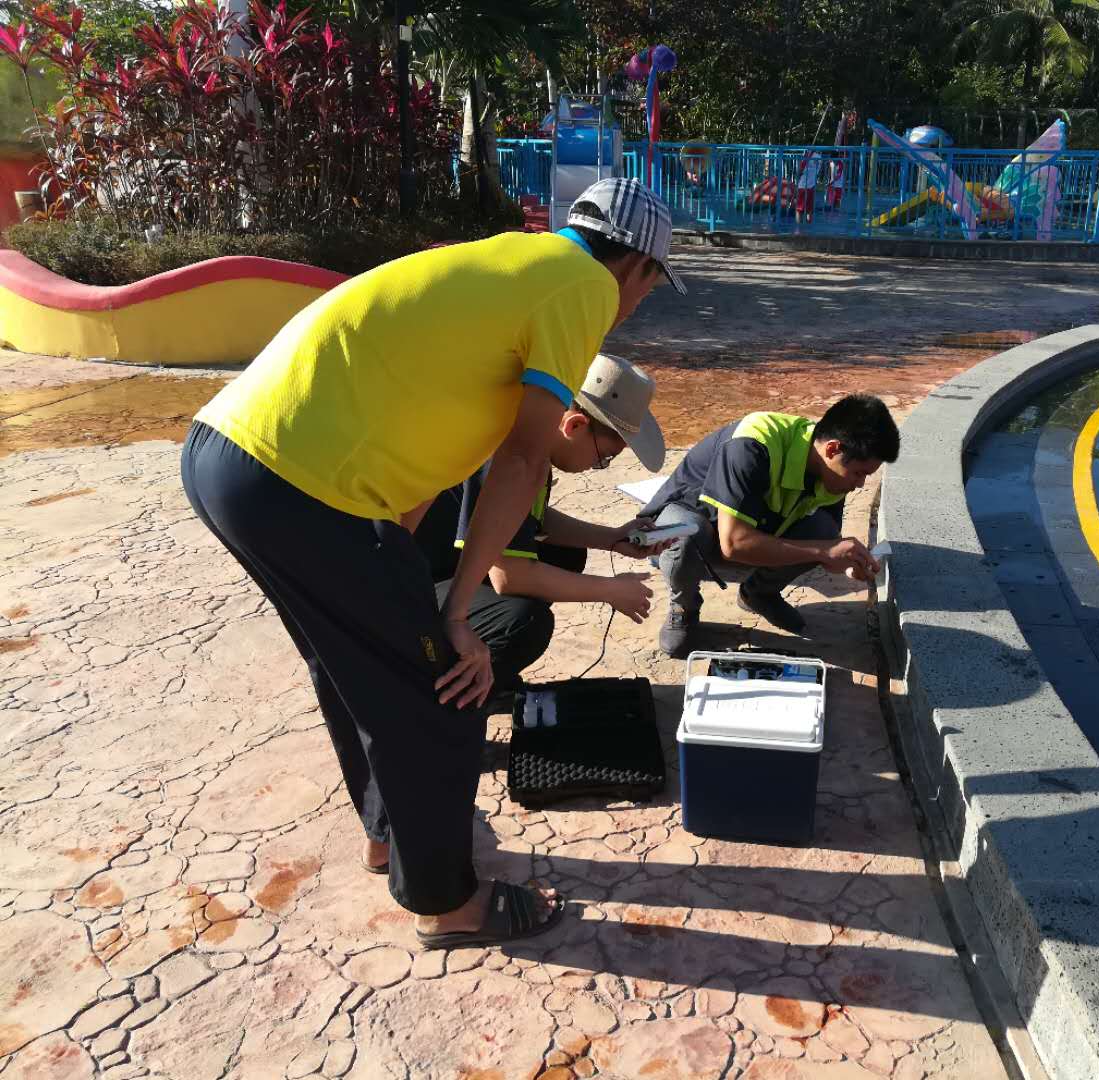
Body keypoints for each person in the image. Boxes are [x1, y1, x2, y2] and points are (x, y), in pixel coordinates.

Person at [179, 177, 683, 950]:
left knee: (354, 665)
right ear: (637, 266)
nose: (640, 303)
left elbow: (420, 467)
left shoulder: (512, 267)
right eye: (651, 286)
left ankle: (391, 837)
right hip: (297, 480)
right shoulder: (583, 285)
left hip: (231, 455)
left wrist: (418, 589)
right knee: (445, 688)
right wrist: (454, 615)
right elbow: (521, 462)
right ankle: (449, 905)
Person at [417, 354, 672, 695]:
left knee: (566, 555)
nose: (599, 466)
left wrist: (612, 538)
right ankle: (450, 695)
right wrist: (610, 590)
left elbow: (530, 520)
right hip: (414, 586)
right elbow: (509, 577)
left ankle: (494, 664)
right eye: (603, 458)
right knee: (525, 622)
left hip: (448, 563)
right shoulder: (509, 454)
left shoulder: (532, 440)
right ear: (575, 426)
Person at [640, 394, 901, 658]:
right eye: (858, 473)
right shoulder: (752, 445)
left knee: (824, 532)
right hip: (690, 530)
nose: (860, 485)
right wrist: (823, 552)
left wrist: (844, 563)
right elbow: (734, 545)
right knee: (683, 537)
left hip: (749, 529)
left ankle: (759, 593)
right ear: (833, 449)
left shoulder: (827, 468)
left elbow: (826, 542)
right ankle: (684, 608)